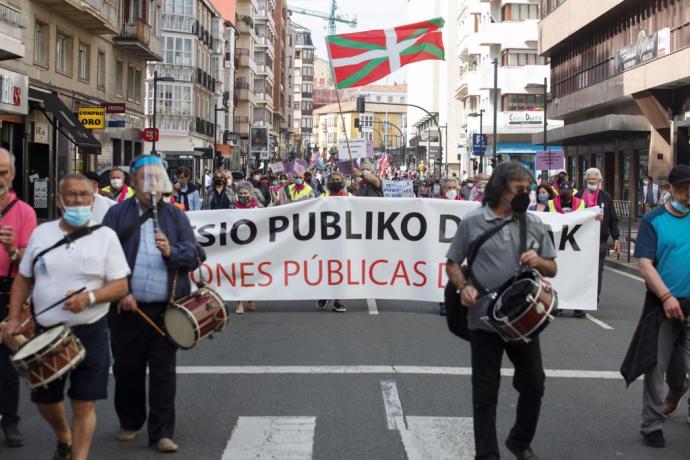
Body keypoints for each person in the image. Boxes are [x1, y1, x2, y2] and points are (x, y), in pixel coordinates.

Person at [2, 173, 129, 460]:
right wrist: (12, 318)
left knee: (84, 403)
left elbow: (121, 284)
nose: (77, 200)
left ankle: (78, 456)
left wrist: (91, 297)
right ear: (60, 201)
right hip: (47, 331)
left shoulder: (105, 236)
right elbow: (23, 278)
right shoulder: (42, 233)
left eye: (83, 195)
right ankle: (64, 437)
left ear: (92, 198)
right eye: (71, 195)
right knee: (46, 400)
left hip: (91, 330)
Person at [446, 161, 557, 460]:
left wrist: (539, 261)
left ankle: (519, 441)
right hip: (483, 320)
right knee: (485, 392)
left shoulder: (532, 222)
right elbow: (453, 263)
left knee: (534, 384)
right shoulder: (472, 222)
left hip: (523, 322)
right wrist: (462, 288)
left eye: (529, 189)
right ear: (500, 188)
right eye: (519, 189)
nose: (527, 194)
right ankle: (487, 454)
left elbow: (553, 266)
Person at [102, 155, 205, 453]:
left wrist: (172, 252)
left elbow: (197, 254)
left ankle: (161, 432)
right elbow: (104, 258)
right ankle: (130, 420)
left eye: (156, 178)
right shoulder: (117, 215)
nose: (152, 185)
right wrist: (120, 291)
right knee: (127, 368)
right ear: (134, 182)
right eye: (145, 178)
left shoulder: (175, 216)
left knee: (163, 372)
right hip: (127, 308)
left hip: (166, 308)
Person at [621, 164, 690, 449]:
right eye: (683, 188)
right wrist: (665, 296)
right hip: (664, 306)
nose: (688, 193)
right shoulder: (653, 220)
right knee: (655, 366)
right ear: (670, 189)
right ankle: (651, 425)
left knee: (681, 366)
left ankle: (678, 388)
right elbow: (645, 264)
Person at [0, 148, 37, 448]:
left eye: (3, 172)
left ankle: (10, 422)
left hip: (7, 291)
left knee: (6, 364)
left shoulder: (24, 211)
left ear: (12, 175)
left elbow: (28, 262)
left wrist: (13, 249)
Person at [576, 168, 620, 305]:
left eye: (594, 179)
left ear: (599, 181)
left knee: (597, 270)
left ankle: (594, 297)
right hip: (580, 240)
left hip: (599, 240)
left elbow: (613, 219)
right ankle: (578, 295)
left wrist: (616, 238)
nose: (591, 182)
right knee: (580, 269)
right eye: (589, 179)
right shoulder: (578, 196)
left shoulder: (605, 197)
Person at [316, 172, 351, 313]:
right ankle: (324, 293)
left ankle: (338, 300)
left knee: (341, 269)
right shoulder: (321, 197)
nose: (336, 181)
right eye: (333, 179)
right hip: (324, 239)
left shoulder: (350, 198)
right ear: (328, 181)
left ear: (342, 181)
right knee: (324, 268)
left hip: (344, 239)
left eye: (338, 179)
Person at [233, 182, 262, 314]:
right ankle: (239, 303)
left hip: (253, 244)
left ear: (251, 194)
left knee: (251, 272)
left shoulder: (258, 207)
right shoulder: (232, 207)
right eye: (241, 194)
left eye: (245, 193)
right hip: (237, 245)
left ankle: (251, 298)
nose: (243, 196)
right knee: (239, 273)